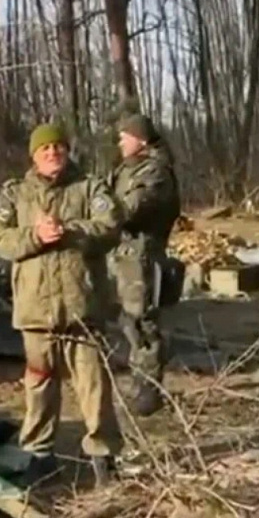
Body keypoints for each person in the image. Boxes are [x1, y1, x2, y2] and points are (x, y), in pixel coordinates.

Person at [0, 123, 124, 486]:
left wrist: (70, 231)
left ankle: (103, 455)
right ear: (34, 156)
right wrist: (35, 236)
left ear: (67, 150)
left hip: (83, 307)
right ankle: (38, 454)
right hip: (36, 311)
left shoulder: (90, 187)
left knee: (94, 387)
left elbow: (110, 225)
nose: (52, 154)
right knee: (39, 387)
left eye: (58, 147)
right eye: (45, 149)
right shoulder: (15, 194)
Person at [108, 114, 181, 417]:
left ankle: (149, 391)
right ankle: (141, 383)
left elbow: (132, 208)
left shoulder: (155, 171)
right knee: (129, 322)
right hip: (124, 256)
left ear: (140, 139)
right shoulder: (127, 170)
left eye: (125, 136)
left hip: (143, 257)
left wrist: (104, 210)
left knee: (144, 325)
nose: (120, 142)